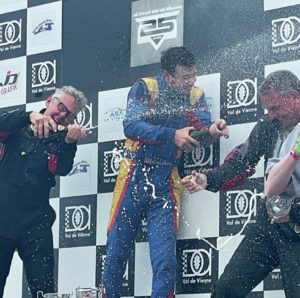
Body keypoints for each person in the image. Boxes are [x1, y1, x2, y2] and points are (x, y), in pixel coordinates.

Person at [103, 46, 229, 297]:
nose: (190, 82)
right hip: (133, 173)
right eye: (185, 77)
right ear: (168, 76)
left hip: (166, 178)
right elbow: (131, 126)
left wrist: (212, 131)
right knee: (116, 253)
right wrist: (172, 135)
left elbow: (200, 132)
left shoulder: (196, 95)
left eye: (193, 75)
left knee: (165, 261)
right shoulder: (146, 87)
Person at [181, 70, 300, 297]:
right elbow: (243, 161)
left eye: (275, 108)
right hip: (270, 224)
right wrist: (208, 179)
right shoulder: (268, 125)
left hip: (298, 223)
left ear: (294, 97)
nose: (271, 115)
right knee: (226, 289)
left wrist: (293, 211)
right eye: (268, 109)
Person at [0, 86, 88, 298]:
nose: (62, 115)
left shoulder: (61, 138)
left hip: (35, 223)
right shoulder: (18, 124)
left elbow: (62, 169)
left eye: (69, 115)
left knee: (45, 290)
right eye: (60, 107)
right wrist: (29, 115)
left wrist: (70, 142)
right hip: (2, 219)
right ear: (48, 101)